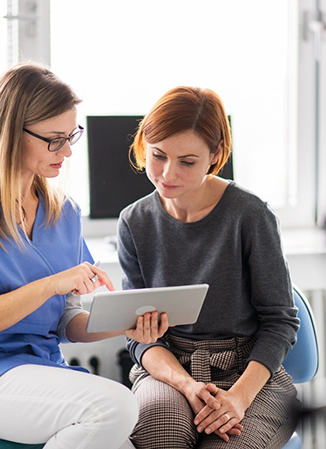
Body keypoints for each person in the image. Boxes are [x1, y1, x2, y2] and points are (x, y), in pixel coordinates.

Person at [0, 61, 169, 449]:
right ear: (9, 132)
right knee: (114, 405)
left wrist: (124, 324)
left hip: (41, 369)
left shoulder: (62, 213)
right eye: (54, 138)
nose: (67, 151)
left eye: (71, 136)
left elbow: (67, 322)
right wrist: (51, 284)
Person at [117, 86, 301, 449]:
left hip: (248, 372)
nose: (168, 173)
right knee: (160, 438)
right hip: (170, 369)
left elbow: (280, 321)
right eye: (157, 156)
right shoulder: (134, 221)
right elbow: (139, 338)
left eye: (187, 161)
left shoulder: (250, 215)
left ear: (215, 154)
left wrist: (238, 399)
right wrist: (187, 385)